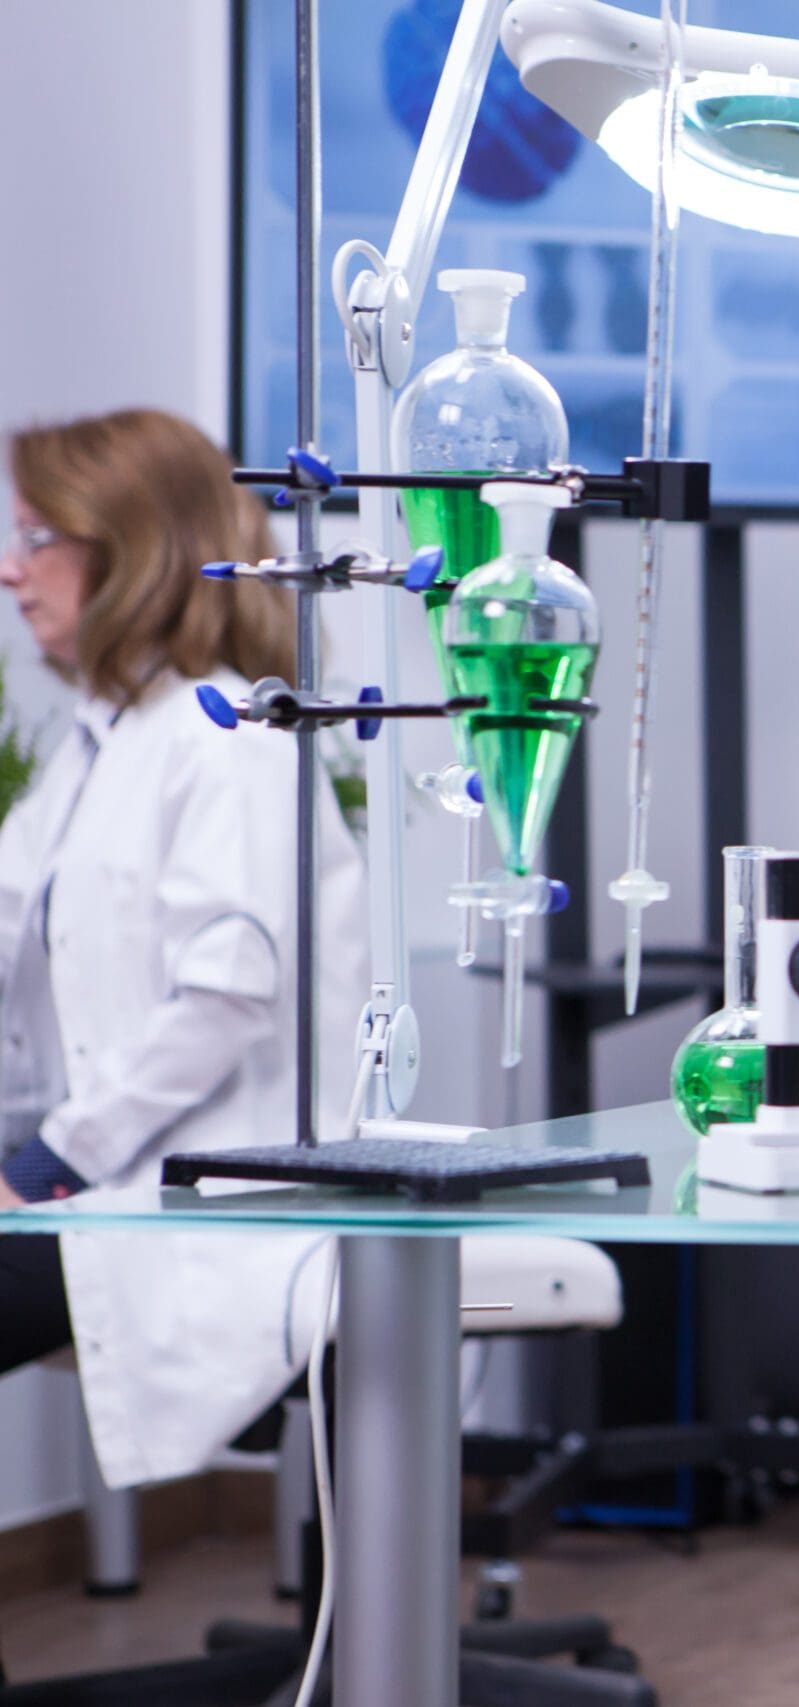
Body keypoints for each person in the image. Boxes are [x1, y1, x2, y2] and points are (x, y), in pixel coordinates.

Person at [0, 409, 363, 1497]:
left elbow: (221, 997)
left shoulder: (229, 737)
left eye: (36, 539)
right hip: (96, 1181)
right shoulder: (98, 747)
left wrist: (44, 1163)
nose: (11, 572)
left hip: (201, 1204)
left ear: (133, 552)